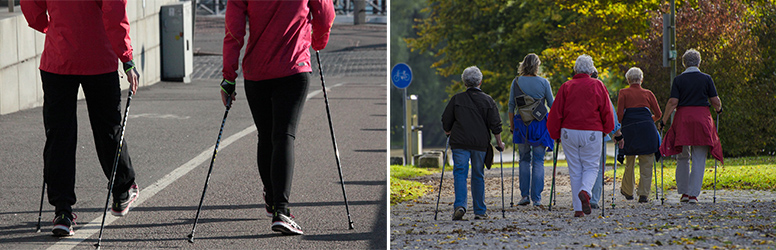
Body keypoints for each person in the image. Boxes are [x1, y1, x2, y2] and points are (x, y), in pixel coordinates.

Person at [21, 0, 141, 236]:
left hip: (58, 57)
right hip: (99, 58)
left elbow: (31, 8)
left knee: (59, 137)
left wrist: (51, 26)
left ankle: (62, 212)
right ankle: (122, 189)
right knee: (108, 129)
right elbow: (114, 12)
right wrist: (127, 58)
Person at [220, 0, 334, 235]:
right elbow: (325, 15)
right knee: (283, 135)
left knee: (266, 136)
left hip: (256, 72)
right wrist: (317, 42)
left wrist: (228, 77)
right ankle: (281, 211)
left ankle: (273, 200)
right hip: (294, 67)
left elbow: (234, 30)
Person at [547, 55, 615, 217]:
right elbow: (607, 110)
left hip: (569, 131)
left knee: (575, 169)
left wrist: (555, 134)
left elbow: (556, 112)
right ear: (591, 70)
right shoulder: (598, 85)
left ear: (575, 70)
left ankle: (578, 209)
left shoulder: (566, 86)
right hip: (592, 130)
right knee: (591, 166)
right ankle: (586, 191)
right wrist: (607, 129)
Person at [659, 49, 723, 204]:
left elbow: (673, 102)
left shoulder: (679, 80)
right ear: (699, 62)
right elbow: (715, 101)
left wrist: (663, 121)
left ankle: (684, 192)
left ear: (684, 63)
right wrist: (719, 109)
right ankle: (694, 194)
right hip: (702, 119)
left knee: (682, 156)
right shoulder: (706, 78)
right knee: (699, 157)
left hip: (683, 119)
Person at [442, 66, 505, 220]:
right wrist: (499, 142)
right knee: (478, 175)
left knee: (460, 173)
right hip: (479, 144)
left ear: (464, 83)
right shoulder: (488, 100)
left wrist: (448, 131)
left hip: (460, 143)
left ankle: (460, 206)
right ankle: (480, 210)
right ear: (480, 82)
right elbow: (495, 124)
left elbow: (446, 119)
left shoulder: (457, 99)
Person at [507, 53, 554, 207]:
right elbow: (552, 105)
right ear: (537, 66)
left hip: (521, 124)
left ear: (523, 65)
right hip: (540, 125)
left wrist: (512, 126)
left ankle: (524, 196)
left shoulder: (516, 82)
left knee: (524, 159)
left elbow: (511, 106)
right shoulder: (544, 82)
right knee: (538, 161)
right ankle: (537, 199)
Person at [616, 67, 662, 203]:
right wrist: (648, 121)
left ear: (628, 80)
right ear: (641, 80)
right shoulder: (648, 93)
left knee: (629, 161)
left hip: (630, 130)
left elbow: (619, 115)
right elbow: (658, 114)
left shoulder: (623, 92)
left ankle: (628, 191)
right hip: (647, 130)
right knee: (647, 162)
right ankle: (643, 194)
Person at [589, 71, 621, 209]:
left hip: (578, 133)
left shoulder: (573, 87)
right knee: (598, 167)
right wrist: (617, 132)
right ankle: (594, 199)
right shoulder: (600, 88)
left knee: (582, 166)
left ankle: (583, 194)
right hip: (599, 133)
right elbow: (610, 111)